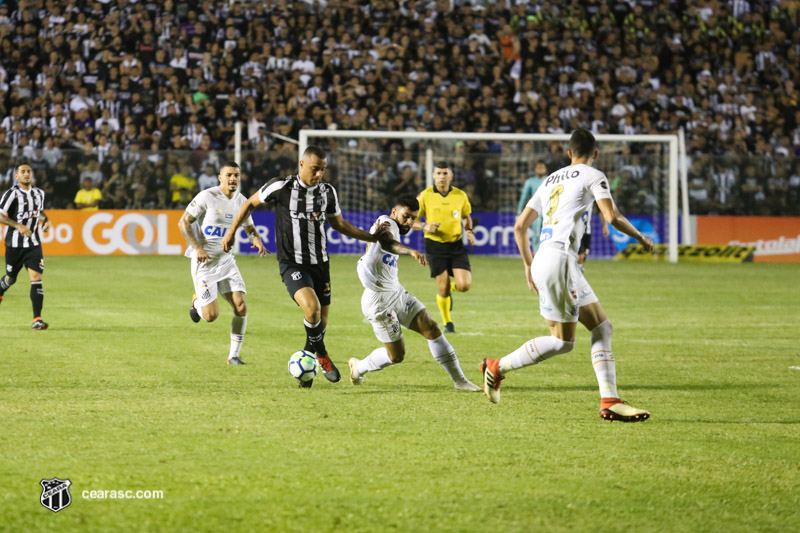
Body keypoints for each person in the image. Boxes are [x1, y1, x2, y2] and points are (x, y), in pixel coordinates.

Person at [480, 129, 653, 422]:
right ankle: (497, 367)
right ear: (595, 153)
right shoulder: (593, 175)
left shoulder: (549, 179)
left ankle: (610, 400)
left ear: (569, 153)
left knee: (602, 327)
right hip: (560, 260)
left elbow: (520, 226)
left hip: (548, 258)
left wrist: (527, 265)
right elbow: (611, 216)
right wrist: (640, 236)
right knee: (562, 341)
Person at [222, 145, 390, 387]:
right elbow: (249, 203)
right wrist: (231, 233)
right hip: (292, 263)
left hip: (320, 263)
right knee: (312, 309)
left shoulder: (327, 192)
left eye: (323, 169)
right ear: (302, 164)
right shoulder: (280, 186)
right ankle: (322, 356)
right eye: (315, 169)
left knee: (321, 322)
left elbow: (340, 225)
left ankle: (306, 371)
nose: (319, 174)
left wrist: (372, 237)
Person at [347, 194, 481, 391]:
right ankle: (359, 368)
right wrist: (410, 251)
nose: (409, 222)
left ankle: (460, 381)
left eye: (413, 218)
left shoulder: (395, 225)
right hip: (378, 301)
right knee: (396, 356)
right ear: (394, 212)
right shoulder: (386, 223)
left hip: (396, 291)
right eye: (406, 216)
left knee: (432, 327)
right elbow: (387, 242)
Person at [178, 161, 267, 365]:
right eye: (229, 175)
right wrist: (197, 248)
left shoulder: (241, 201)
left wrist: (256, 240)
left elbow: (250, 228)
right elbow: (183, 222)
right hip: (205, 263)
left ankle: (233, 356)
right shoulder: (207, 196)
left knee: (241, 306)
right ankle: (197, 302)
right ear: (220, 178)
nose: (233, 179)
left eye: (236, 175)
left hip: (226, 261)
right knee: (210, 316)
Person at [412, 162, 475, 334]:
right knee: (442, 288)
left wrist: (469, 230)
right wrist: (425, 226)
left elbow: (466, 216)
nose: (441, 177)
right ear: (433, 176)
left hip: (455, 245)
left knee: (464, 285)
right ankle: (448, 323)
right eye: (438, 173)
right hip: (435, 246)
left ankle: (449, 289)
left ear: (451, 176)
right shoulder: (425, 196)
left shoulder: (460, 195)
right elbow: (412, 220)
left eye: (445, 173)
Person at [0, 163, 51, 329]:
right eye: (22, 172)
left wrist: (47, 220)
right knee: (10, 278)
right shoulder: (11, 194)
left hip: (33, 244)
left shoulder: (39, 193)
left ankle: (37, 319)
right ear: (16, 176)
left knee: (36, 278)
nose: (26, 174)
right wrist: (18, 226)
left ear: (32, 174)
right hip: (14, 244)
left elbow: (39, 211)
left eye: (29, 171)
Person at [517, 160, 549, 254]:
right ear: (535, 169)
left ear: (545, 169)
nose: (540, 169)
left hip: (548, 211)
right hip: (536, 210)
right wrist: (519, 212)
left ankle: (545, 254)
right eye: (538, 167)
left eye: (542, 167)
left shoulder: (549, 180)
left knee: (548, 233)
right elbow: (524, 197)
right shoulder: (530, 182)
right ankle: (536, 253)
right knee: (536, 234)